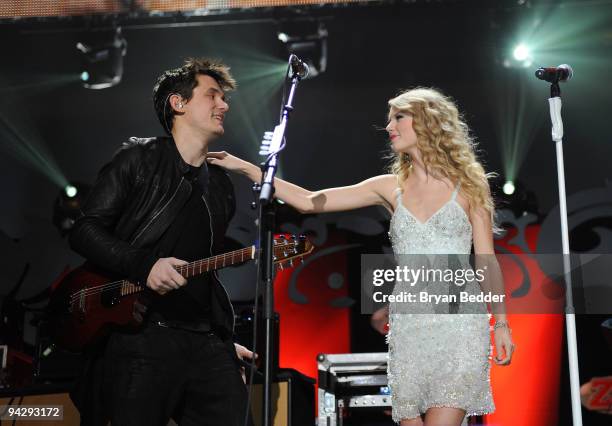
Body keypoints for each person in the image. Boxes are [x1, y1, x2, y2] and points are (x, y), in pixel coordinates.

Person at [206, 87, 515, 426]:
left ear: (428, 121)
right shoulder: (388, 186)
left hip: (459, 324)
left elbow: (487, 260)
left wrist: (500, 323)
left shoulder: (469, 184)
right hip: (410, 328)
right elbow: (311, 201)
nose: (389, 127)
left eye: (398, 117)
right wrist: (248, 169)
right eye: (389, 119)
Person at [68, 58, 254, 426]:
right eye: (212, 95)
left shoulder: (220, 186)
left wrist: (219, 341)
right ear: (178, 103)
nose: (225, 105)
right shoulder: (137, 160)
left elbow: (203, 271)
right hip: (140, 337)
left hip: (205, 344)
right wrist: (145, 265)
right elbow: (85, 230)